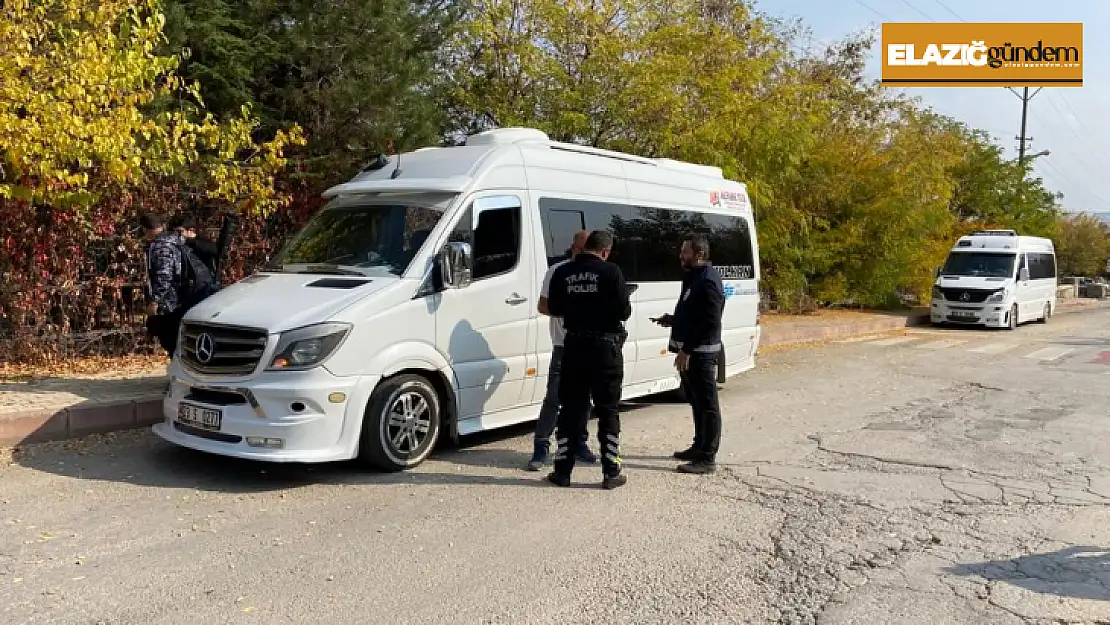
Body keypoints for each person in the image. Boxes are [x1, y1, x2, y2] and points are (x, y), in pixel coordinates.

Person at [545, 230, 632, 489]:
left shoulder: (562, 272)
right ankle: (611, 470)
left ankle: (562, 471)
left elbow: (554, 308)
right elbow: (624, 311)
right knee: (607, 410)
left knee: (570, 409)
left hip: (573, 346)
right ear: (605, 251)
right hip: (605, 348)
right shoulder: (611, 272)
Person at [653, 233, 725, 474]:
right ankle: (699, 446)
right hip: (692, 351)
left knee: (707, 405)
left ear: (700, 254)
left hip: (700, 354)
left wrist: (687, 350)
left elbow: (709, 321)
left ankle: (707, 457)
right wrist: (672, 320)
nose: (680, 255)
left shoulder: (707, 281)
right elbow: (693, 314)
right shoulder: (693, 277)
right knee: (696, 402)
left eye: (685, 252)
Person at [527, 230, 598, 471]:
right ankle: (541, 445)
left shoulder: (599, 272)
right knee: (554, 398)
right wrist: (572, 311)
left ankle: (579, 443)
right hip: (564, 345)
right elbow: (542, 305)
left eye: (586, 249)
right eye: (578, 249)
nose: (581, 253)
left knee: (585, 400)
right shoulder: (557, 271)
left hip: (590, 344)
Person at [141, 213, 218, 357]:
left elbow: (164, 275)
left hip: (170, 301)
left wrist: (155, 300)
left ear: (146, 230)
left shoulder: (161, 245)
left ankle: (180, 370)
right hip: (183, 297)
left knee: (171, 340)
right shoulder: (178, 241)